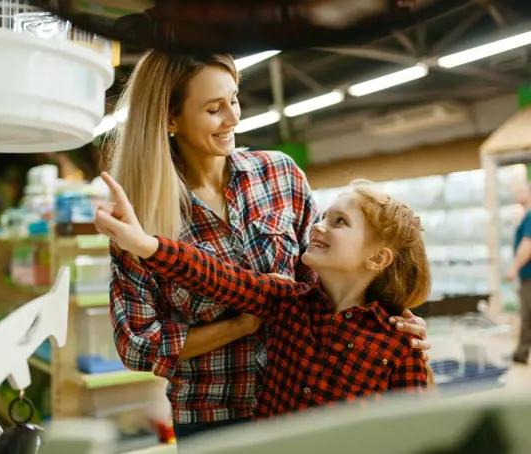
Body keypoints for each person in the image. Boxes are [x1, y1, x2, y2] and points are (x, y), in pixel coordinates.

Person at [103, 50, 431, 440]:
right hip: (212, 415)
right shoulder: (140, 216)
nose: (234, 117)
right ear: (171, 118)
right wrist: (243, 323)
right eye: (214, 109)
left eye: (234, 99)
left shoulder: (280, 174)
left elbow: (331, 277)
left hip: (301, 408)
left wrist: (396, 316)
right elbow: (140, 343)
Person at [96, 174, 431, 419]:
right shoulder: (286, 300)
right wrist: (142, 244)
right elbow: (216, 276)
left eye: (339, 222)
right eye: (323, 216)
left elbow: (413, 432)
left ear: (377, 259)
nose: (317, 226)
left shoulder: (400, 344)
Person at [505, 181, 531, 365]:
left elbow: (528, 245)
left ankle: (521, 354)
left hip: (528, 275)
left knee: (527, 315)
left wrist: (514, 267)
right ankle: (520, 353)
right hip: (527, 275)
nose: (515, 194)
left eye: (519, 190)